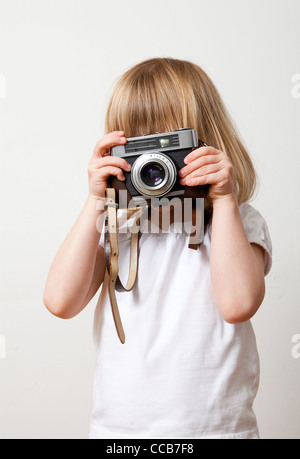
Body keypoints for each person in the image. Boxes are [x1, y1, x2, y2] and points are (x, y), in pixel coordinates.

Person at [43, 58, 272, 439]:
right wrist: (95, 202)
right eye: (138, 147)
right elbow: (60, 302)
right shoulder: (114, 224)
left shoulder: (237, 220)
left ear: (208, 143)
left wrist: (226, 201)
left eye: (169, 147)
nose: (155, 163)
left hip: (217, 430)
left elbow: (238, 305)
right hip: (121, 433)